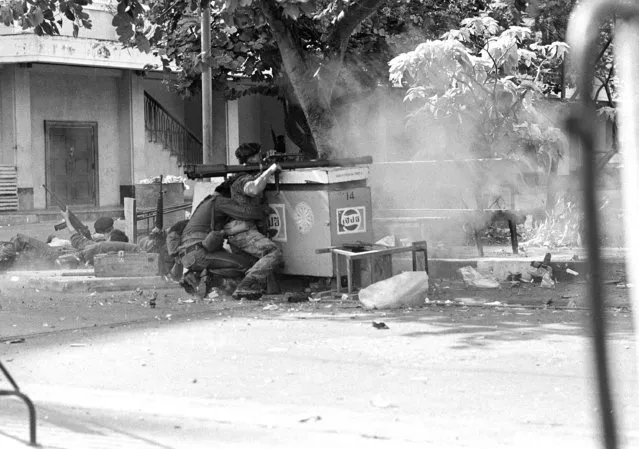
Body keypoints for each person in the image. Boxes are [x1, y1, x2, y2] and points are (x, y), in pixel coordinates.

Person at [224, 143, 283, 300]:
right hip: (242, 231)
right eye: (259, 155)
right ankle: (245, 286)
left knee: (258, 263)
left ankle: (243, 285)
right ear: (251, 158)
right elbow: (253, 189)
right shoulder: (242, 178)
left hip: (241, 231)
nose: (261, 158)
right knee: (273, 253)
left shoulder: (248, 175)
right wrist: (270, 171)